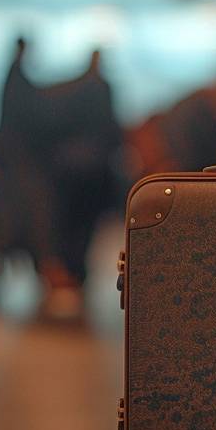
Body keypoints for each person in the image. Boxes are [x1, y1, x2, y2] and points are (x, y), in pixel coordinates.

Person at [44, 50, 123, 304]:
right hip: (95, 171)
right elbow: (112, 128)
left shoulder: (72, 89)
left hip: (69, 170)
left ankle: (69, 272)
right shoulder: (104, 88)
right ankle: (78, 273)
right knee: (86, 227)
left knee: (68, 224)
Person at [0, 38, 52, 275]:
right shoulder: (18, 77)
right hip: (17, 159)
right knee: (18, 214)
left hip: (12, 157)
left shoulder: (13, 76)